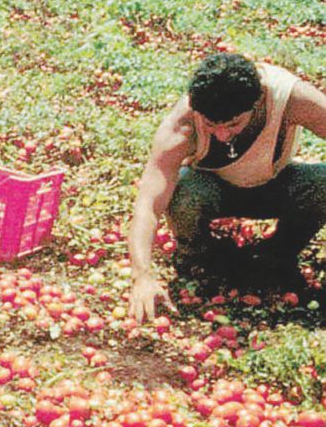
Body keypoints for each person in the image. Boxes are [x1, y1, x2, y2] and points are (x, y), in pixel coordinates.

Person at [128, 52, 326, 322]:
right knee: (183, 190)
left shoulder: (290, 98)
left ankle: (278, 254)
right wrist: (142, 275)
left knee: (322, 183)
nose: (222, 135)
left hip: (276, 184)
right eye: (211, 125)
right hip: (212, 190)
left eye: (233, 124)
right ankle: (199, 258)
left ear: (256, 104)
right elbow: (148, 204)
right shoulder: (182, 126)